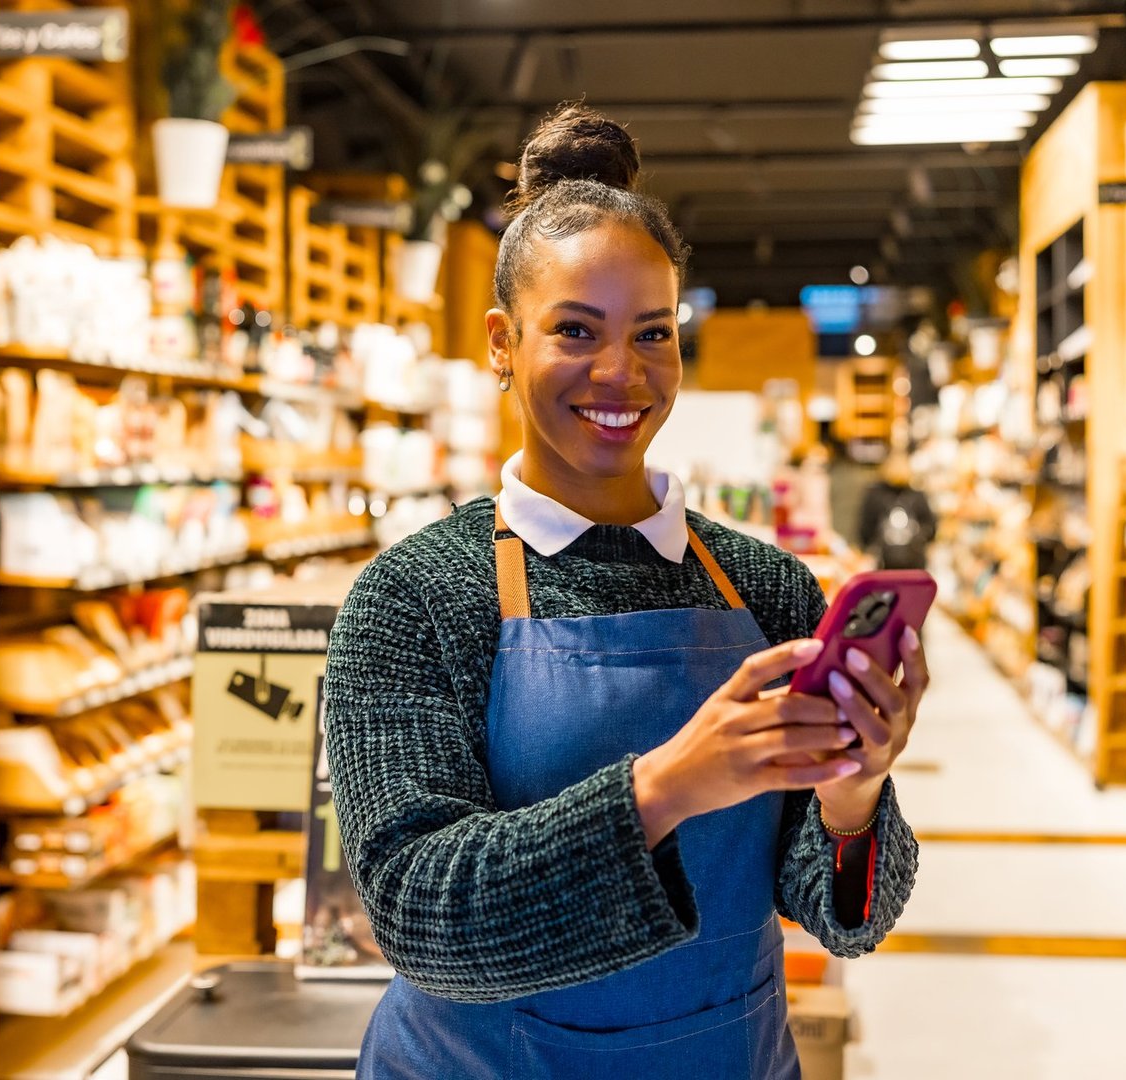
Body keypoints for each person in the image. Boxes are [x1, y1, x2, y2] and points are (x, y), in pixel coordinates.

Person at [324, 104, 926, 1079]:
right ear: (499, 341)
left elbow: (838, 919)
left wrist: (854, 792)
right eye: (575, 330)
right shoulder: (414, 597)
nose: (622, 372)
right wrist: (669, 787)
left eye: (654, 333)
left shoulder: (766, 586)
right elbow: (416, 913)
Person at [858, 449, 938, 571]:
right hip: (884, 562)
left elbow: (931, 527)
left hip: (913, 562)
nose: (898, 469)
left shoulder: (917, 496)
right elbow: (865, 529)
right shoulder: (875, 496)